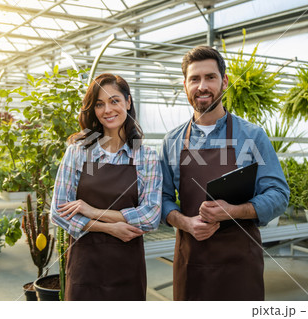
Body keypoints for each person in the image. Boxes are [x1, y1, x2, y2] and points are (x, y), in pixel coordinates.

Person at [160, 46, 290, 301]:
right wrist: (186, 223)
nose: (202, 86)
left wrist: (235, 210)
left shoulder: (252, 136)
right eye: (194, 79)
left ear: (224, 81)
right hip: (191, 264)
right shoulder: (172, 141)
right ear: (185, 85)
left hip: (240, 266)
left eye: (210, 77)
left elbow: (278, 194)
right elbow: (161, 200)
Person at [51, 73, 162, 301]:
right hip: (85, 266)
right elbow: (59, 212)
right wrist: (109, 228)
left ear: (128, 102)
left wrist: (92, 212)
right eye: (99, 104)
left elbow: (151, 217)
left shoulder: (146, 156)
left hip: (127, 268)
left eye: (114, 101)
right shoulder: (79, 151)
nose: (107, 110)